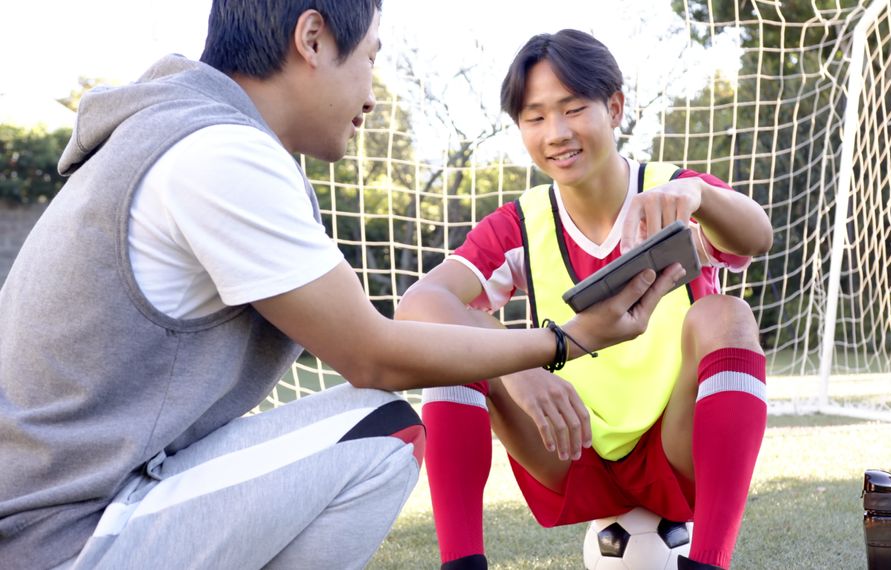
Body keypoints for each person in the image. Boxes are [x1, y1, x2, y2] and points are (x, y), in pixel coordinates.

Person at [0, 5, 683, 569]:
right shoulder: (215, 152)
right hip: (63, 538)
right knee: (381, 428)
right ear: (313, 38)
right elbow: (374, 355)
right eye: (371, 58)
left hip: (69, 510)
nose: (372, 92)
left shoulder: (185, 133)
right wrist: (561, 344)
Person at [396, 29, 774, 570]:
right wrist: (519, 368)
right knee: (453, 345)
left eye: (573, 109)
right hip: (567, 447)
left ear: (614, 107)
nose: (556, 133)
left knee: (728, 314)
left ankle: (709, 563)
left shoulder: (671, 193)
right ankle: (461, 564)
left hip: (676, 451)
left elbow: (757, 237)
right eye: (535, 117)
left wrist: (701, 195)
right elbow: (418, 305)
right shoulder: (519, 225)